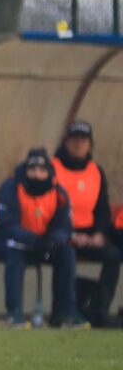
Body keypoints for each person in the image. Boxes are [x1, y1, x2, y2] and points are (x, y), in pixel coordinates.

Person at [0, 148, 88, 329]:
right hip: (20, 244)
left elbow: (65, 226)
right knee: (15, 256)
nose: (36, 175)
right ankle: (14, 313)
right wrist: (33, 239)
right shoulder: (10, 188)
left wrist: (53, 240)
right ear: (25, 170)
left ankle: (65, 313)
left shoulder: (59, 193)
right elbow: (6, 225)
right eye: (32, 169)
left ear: (48, 172)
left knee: (67, 254)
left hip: (46, 244)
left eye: (41, 170)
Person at [53, 120, 120, 327]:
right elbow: (48, 207)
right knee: (66, 254)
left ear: (90, 145)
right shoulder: (53, 168)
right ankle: (65, 311)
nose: (78, 144)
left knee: (114, 255)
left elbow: (102, 208)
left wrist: (99, 234)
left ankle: (100, 310)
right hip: (61, 233)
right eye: (74, 140)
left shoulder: (95, 171)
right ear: (66, 142)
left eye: (83, 140)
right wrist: (70, 235)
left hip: (89, 233)